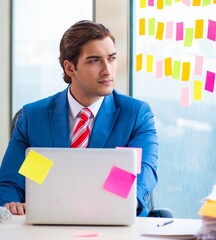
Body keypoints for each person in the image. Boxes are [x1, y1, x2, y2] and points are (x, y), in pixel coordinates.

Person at [0, 20, 158, 217]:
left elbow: (142, 175)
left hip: (113, 224)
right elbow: (10, 182)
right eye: (94, 60)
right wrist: (12, 205)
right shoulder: (33, 117)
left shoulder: (135, 115)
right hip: (45, 225)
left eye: (111, 58)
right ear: (70, 68)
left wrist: (107, 207)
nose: (107, 70)